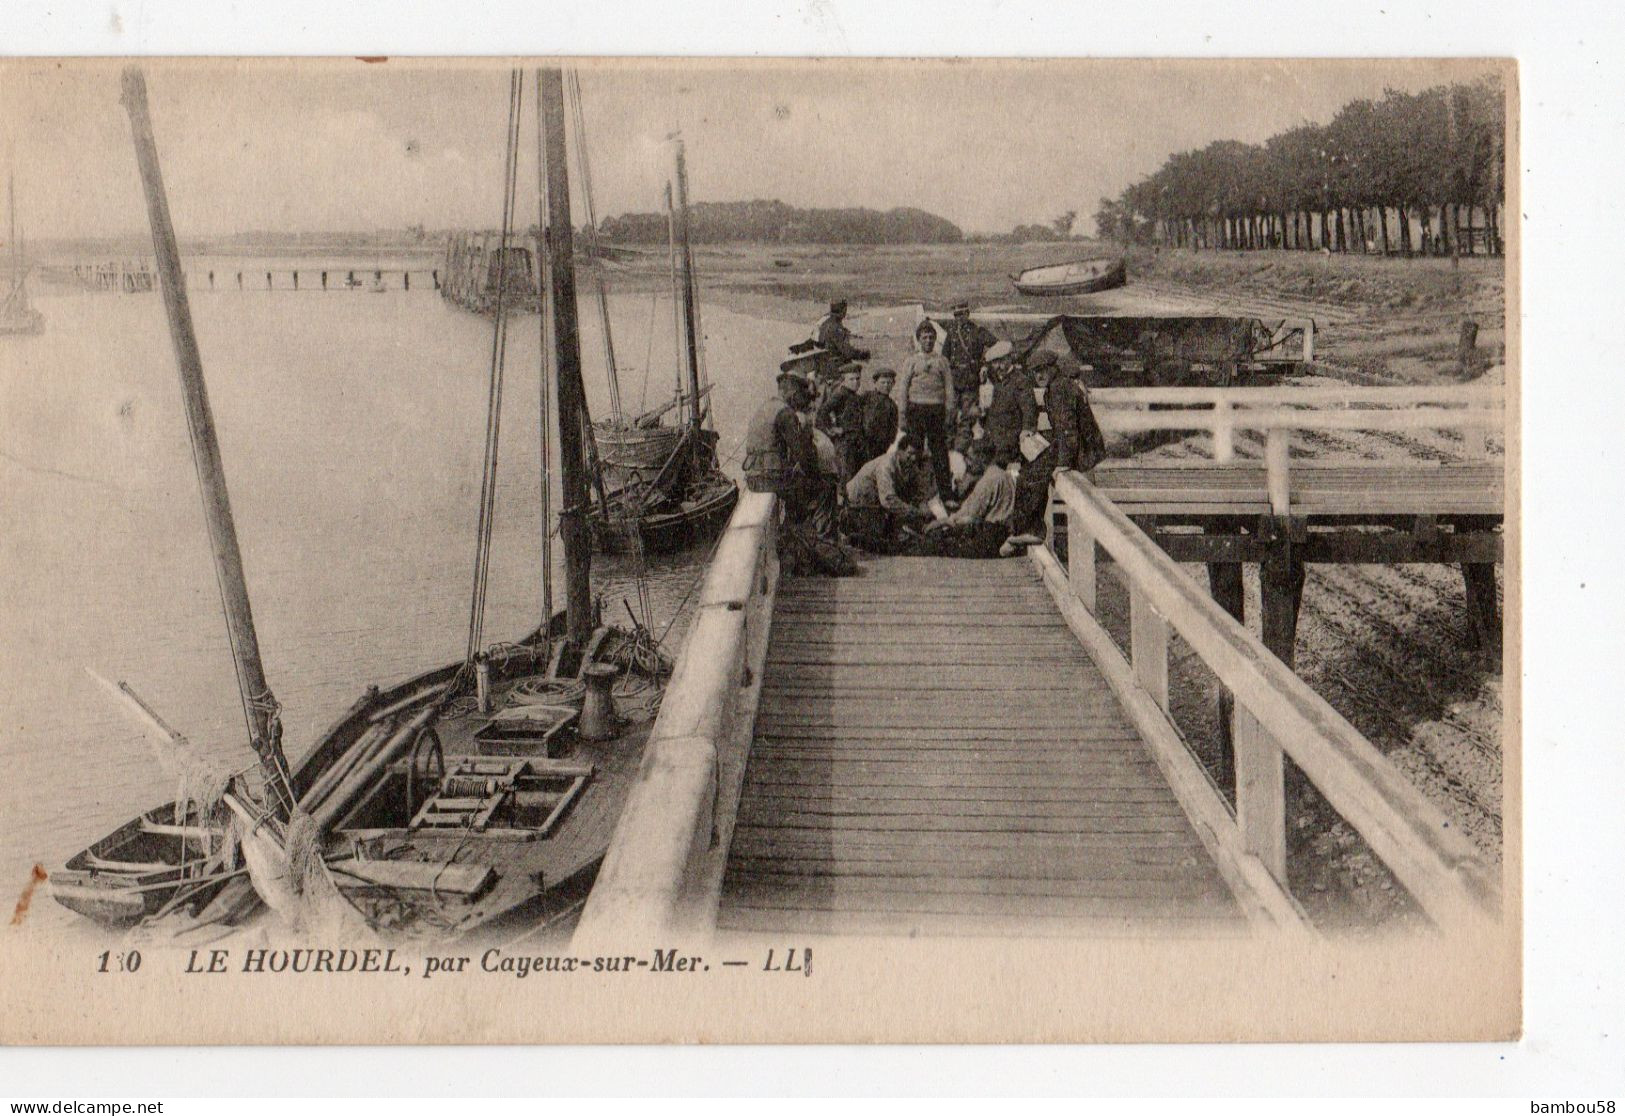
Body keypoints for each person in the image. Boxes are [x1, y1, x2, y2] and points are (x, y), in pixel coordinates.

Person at [1010, 353, 1108, 544]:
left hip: (1083, 450)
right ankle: (1027, 528)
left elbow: (1067, 430)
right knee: (1030, 463)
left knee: (1033, 472)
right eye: (1035, 372)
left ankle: (1032, 529)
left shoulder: (1059, 389)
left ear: (1053, 368)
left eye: (1043, 370)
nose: (1039, 376)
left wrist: (1063, 463)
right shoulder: (1055, 386)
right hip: (1078, 445)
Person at [743, 359, 828, 534]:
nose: (801, 397)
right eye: (799, 392)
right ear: (790, 391)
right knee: (822, 488)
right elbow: (802, 454)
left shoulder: (766, 407)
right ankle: (810, 538)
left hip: (753, 476)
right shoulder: (785, 413)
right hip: (771, 478)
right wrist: (815, 475)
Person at [841, 434, 943, 554]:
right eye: (910, 453)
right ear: (899, 451)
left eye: (916, 455)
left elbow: (919, 495)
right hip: (857, 506)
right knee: (880, 545)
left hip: (876, 506)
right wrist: (916, 513)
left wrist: (929, 515)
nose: (913, 458)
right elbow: (888, 500)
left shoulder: (910, 466)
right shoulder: (886, 465)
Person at [916, 442, 1016, 559]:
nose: (967, 462)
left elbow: (970, 514)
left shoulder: (988, 480)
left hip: (991, 537)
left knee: (935, 543)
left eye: (969, 458)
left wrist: (941, 522)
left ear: (982, 458)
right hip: (1004, 533)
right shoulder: (1003, 474)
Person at [895, 319, 955, 501]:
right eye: (924, 337)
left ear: (935, 339)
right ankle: (912, 494)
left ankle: (946, 495)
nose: (928, 340)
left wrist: (949, 412)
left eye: (931, 337)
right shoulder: (911, 361)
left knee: (940, 453)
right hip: (916, 410)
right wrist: (902, 415)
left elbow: (949, 389)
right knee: (915, 452)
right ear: (919, 340)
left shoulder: (942, 361)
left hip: (936, 411)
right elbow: (903, 388)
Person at [941, 301, 998, 429]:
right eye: (956, 315)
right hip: (953, 381)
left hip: (970, 381)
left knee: (968, 417)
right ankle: (949, 446)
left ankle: (963, 446)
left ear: (967, 313)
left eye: (961, 314)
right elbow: (944, 357)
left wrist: (985, 365)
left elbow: (997, 348)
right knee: (949, 416)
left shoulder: (977, 331)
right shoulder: (952, 333)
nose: (958, 318)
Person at [981, 340, 1038, 464]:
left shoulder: (1020, 381)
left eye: (1001, 361)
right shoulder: (998, 379)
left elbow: (1029, 409)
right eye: (995, 363)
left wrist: (1027, 429)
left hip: (1010, 440)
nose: (998, 366)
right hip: (993, 437)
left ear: (1009, 359)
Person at [815, 361, 867, 483]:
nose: (856, 382)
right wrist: (832, 429)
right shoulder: (840, 394)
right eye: (851, 379)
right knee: (847, 476)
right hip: (845, 442)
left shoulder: (855, 396)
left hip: (857, 440)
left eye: (858, 379)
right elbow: (822, 411)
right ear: (844, 380)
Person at [856, 366, 900, 468]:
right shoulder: (866, 396)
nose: (886, 386)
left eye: (889, 383)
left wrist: (888, 443)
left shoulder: (892, 405)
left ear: (893, 384)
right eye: (883, 382)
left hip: (880, 446)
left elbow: (893, 429)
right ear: (875, 383)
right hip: (862, 442)